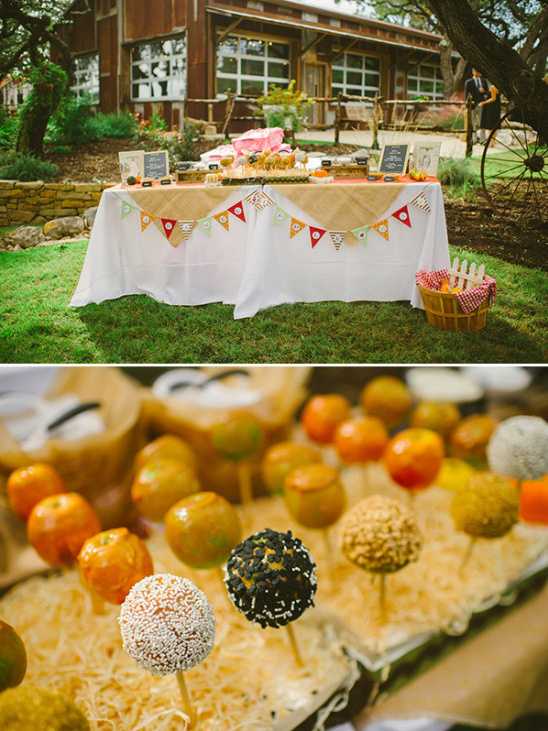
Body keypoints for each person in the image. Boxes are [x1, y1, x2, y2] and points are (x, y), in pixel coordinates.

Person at [464, 68, 489, 143]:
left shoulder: (484, 81)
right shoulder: (469, 82)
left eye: (479, 72)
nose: (478, 73)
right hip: (472, 106)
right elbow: (466, 95)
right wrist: (467, 106)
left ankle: (482, 139)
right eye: (477, 71)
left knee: (482, 122)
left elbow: (488, 92)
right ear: (473, 71)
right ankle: (474, 139)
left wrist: (484, 91)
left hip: (481, 104)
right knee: (473, 123)